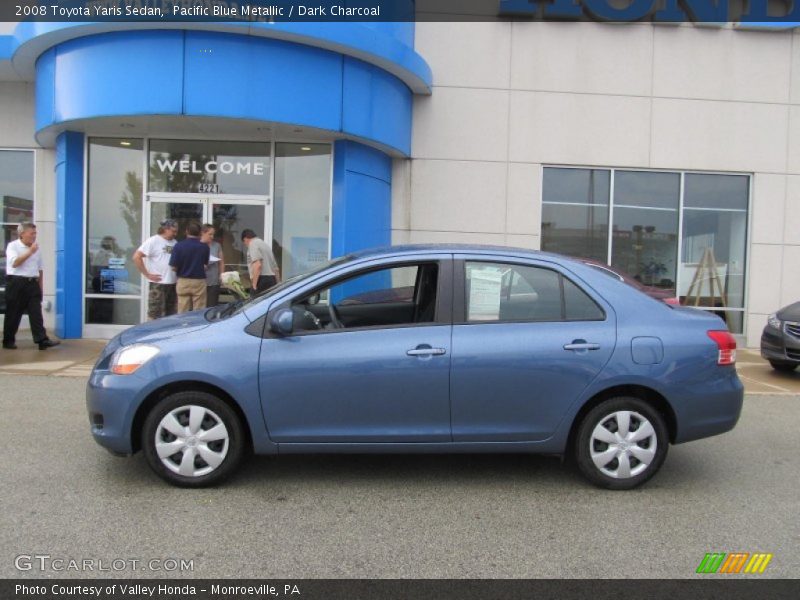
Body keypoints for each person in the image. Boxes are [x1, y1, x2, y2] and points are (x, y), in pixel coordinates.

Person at [2, 222, 60, 350]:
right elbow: (14, 263)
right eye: (31, 233)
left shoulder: (36, 248)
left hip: (32, 283)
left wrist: (40, 288)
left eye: (35, 233)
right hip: (16, 283)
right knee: (13, 313)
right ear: (22, 234)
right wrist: (30, 252)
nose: (34, 236)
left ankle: (42, 340)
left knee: (36, 313)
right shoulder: (13, 246)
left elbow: (40, 269)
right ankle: (8, 340)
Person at [133, 219, 178, 320]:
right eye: (173, 231)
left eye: (176, 231)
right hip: (158, 283)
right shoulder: (153, 241)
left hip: (172, 283)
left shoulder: (175, 242)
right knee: (155, 313)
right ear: (166, 229)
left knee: (171, 313)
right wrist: (147, 274)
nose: (175, 234)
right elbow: (136, 257)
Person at [169, 222, 210, 313]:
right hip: (199, 281)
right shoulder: (204, 247)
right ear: (200, 233)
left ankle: (182, 322)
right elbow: (205, 265)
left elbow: (173, 267)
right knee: (199, 310)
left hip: (183, 280)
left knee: (182, 309)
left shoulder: (178, 246)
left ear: (187, 231)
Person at [241, 229, 280, 295]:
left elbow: (258, 265)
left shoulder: (253, 244)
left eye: (244, 242)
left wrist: (254, 285)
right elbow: (276, 269)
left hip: (261, 280)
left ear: (245, 239)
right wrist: (278, 285)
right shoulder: (265, 245)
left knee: (255, 301)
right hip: (272, 280)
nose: (246, 245)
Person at [202, 224, 225, 306]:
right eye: (210, 234)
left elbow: (221, 262)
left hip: (214, 281)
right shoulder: (198, 245)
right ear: (203, 233)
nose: (212, 236)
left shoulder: (217, 245)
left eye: (213, 234)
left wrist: (221, 275)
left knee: (212, 306)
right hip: (201, 282)